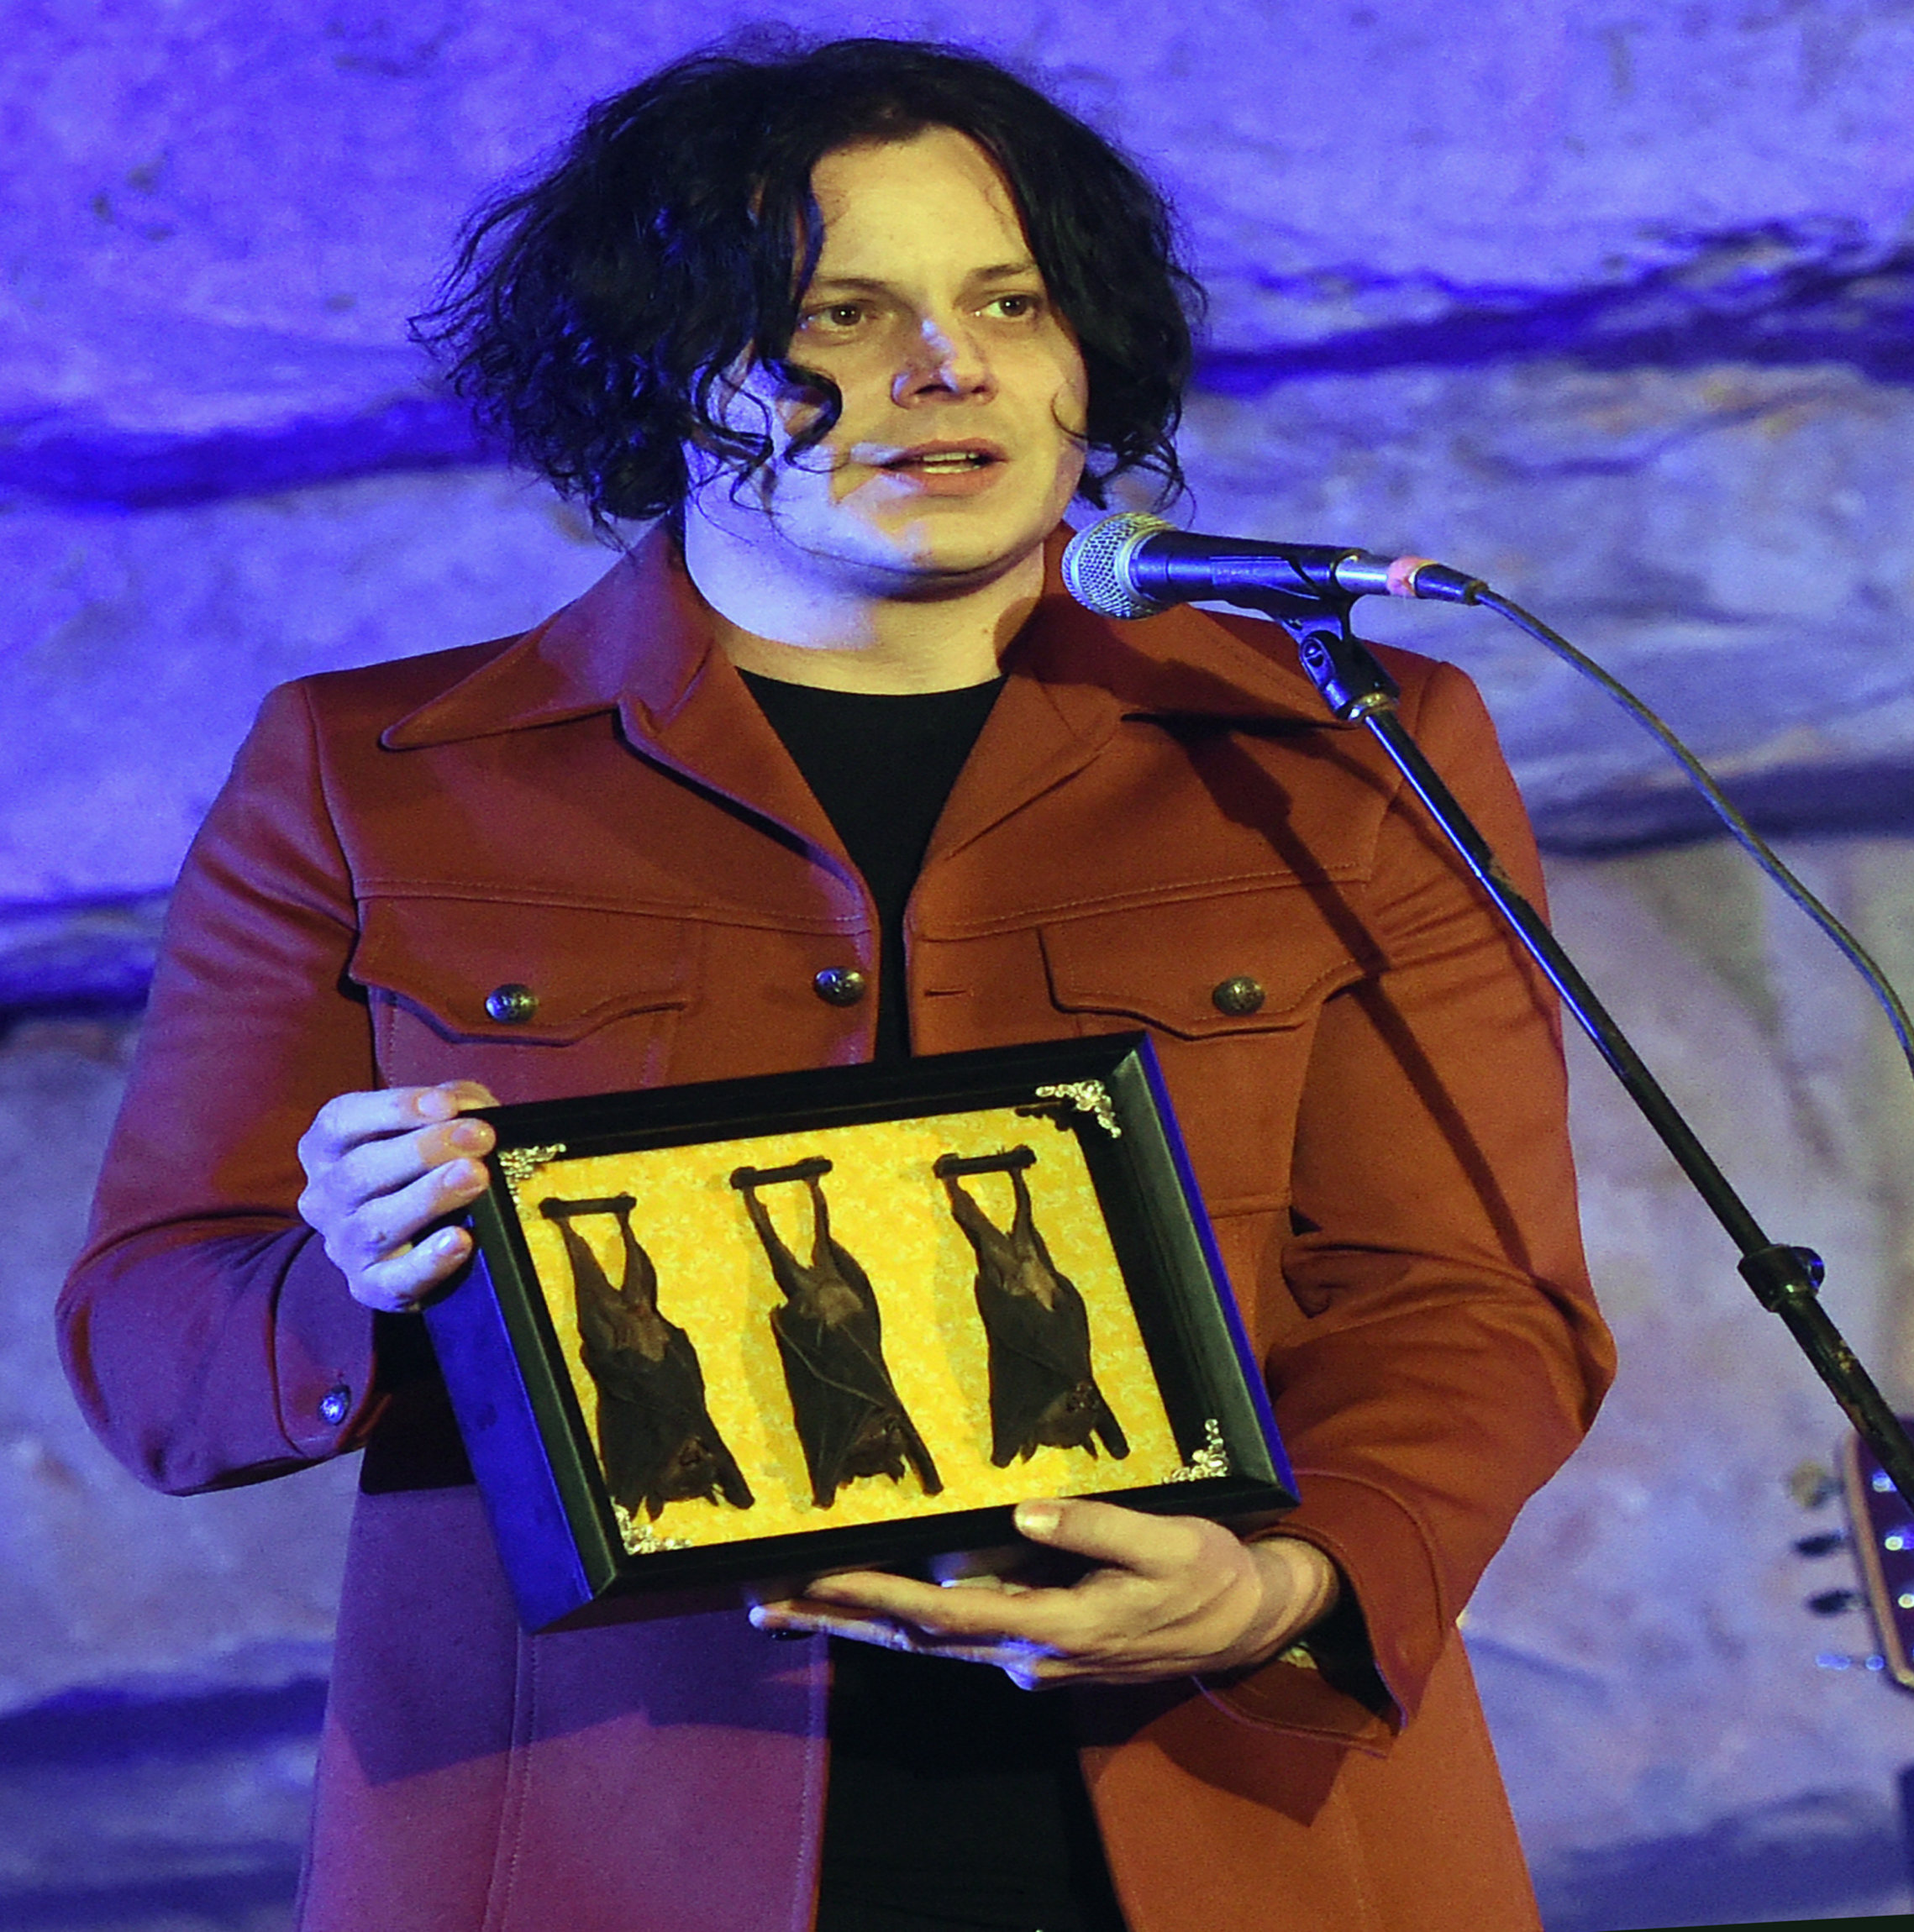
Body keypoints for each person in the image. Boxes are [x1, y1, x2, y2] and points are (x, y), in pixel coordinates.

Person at [57, 35, 1613, 1932]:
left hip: (1235, 1805)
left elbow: (1472, 1302)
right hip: (592, 1840)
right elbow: (148, 1348)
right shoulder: (366, 770)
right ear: (654, 370)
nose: (945, 370)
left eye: (1008, 303)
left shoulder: (1339, 744)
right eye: (839, 315)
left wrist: (1288, 1582)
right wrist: (357, 1283)